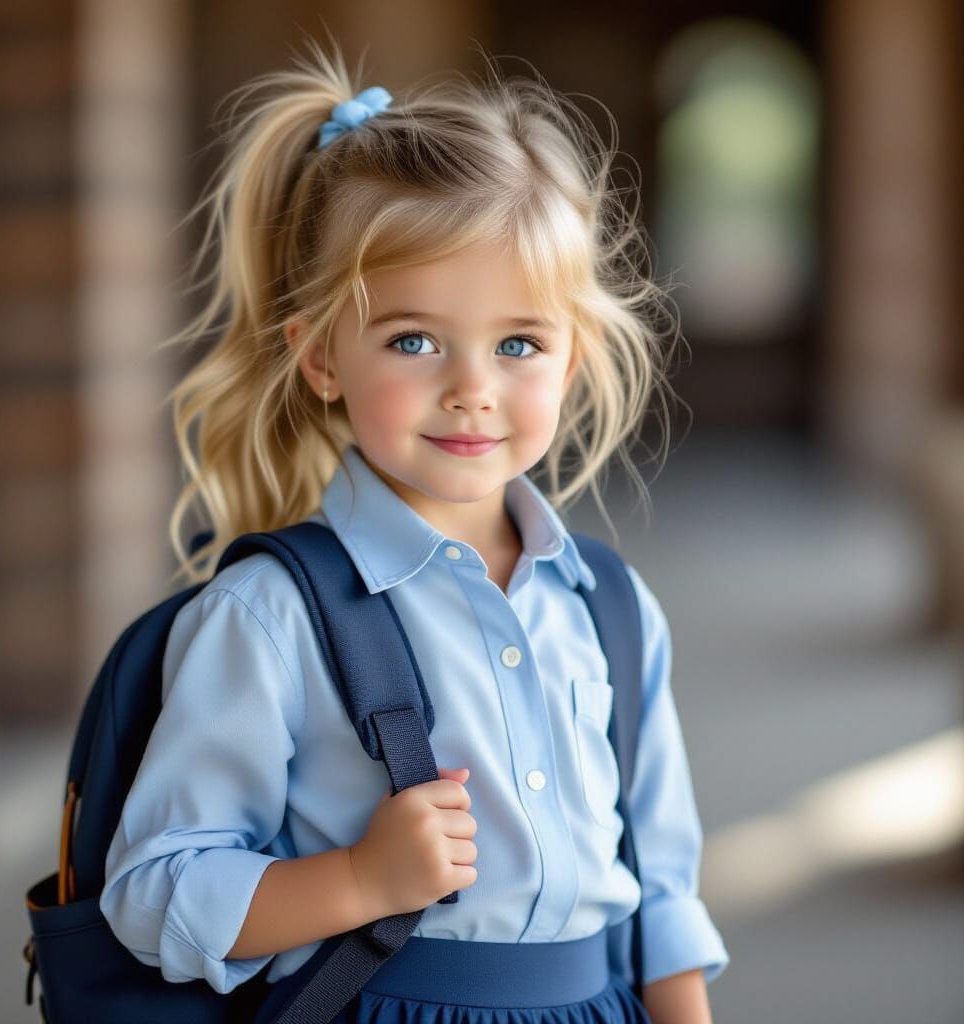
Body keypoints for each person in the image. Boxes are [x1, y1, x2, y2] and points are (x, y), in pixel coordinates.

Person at [98, 35, 730, 1024]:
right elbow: (153, 890)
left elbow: (660, 889)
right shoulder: (269, 618)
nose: (472, 389)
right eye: (413, 339)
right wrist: (356, 878)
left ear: (571, 361)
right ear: (318, 357)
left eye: (519, 341)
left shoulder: (609, 608)